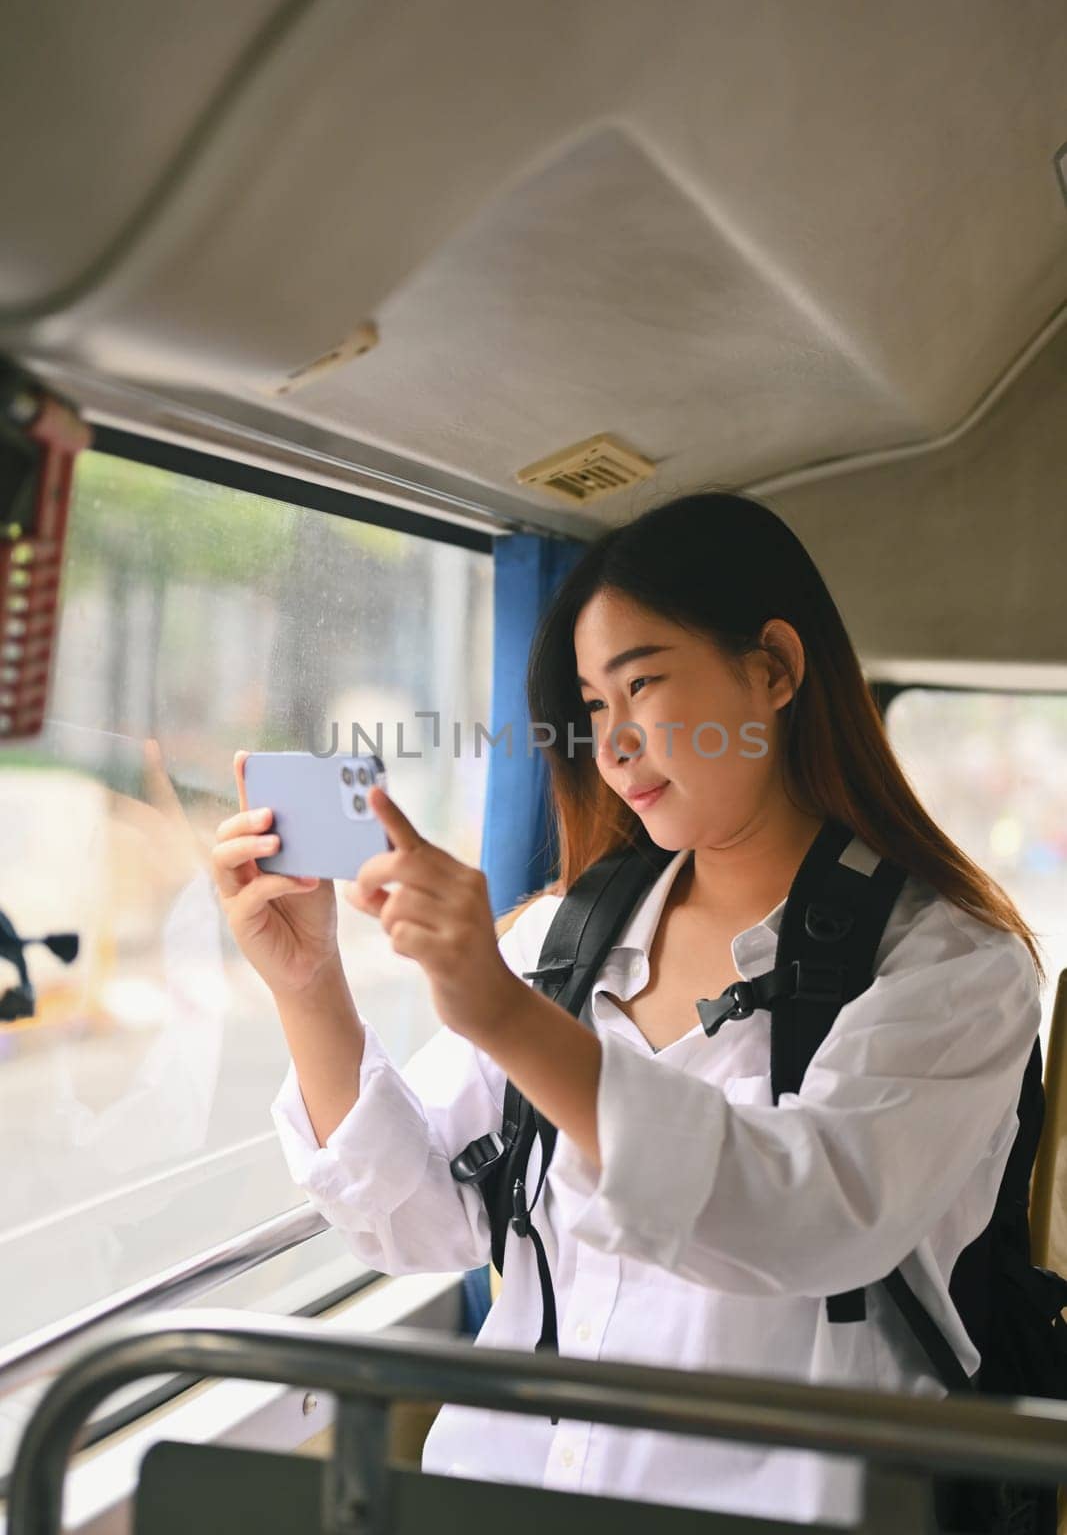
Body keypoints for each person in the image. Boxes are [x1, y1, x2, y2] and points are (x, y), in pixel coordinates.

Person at [210, 490, 1043, 1527]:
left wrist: (504, 1018)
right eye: (592, 706)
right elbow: (416, 1221)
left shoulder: (951, 965)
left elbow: (805, 1217)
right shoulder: (562, 938)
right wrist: (309, 986)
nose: (611, 745)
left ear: (773, 670)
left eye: (640, 684)